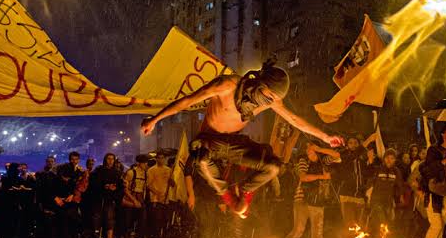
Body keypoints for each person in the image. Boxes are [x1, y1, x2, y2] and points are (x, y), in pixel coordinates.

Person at [141, 60, 343, 217]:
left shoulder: (269, 101)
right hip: (209, 142)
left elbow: (293, 119)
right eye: (269, 95)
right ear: (259, 82)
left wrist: (325, 137)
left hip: (233, 145)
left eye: (274, 99)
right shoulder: (227, 85)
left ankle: (243, 191)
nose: (269, 102)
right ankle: (227, 196)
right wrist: (156, 119)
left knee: (273, 166)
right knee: (200, 156)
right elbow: (187, 101)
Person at [282, 143, 340, 238]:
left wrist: (320, 149)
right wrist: (322, 177)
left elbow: (337, 155)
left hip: (318, 201)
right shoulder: (303, 160)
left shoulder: (323, 161)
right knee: (298, 231)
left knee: (317, 236)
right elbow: (303, 177)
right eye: (307, 147)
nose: (308, 148)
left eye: (311, 146)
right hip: (302, 199)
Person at [366, 148, 405, 238]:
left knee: (387, 223)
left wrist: (400, 197)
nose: (389, 160)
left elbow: (399, 185)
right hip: (376, 201)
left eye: (392, 158)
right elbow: (369, 177)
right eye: (387, 157)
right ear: (384, 159)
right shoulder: (378, 169)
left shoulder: (396, 171)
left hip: (388, 202)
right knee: (380, 222)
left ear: (395, 160)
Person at [90, 153, 123, 238]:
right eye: (108, 159)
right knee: (96, 220)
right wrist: (103, 186)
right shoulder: (99, 170)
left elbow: (120, 187)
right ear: (105, 159)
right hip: (99, 199)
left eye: (112, 159)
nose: (110, 161)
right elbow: (93, 183)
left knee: (109, 220)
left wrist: (114, 189)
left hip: (110, 199)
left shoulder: (116, 172)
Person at [121, 154, 148, 238]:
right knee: (127, 221)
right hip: (130, 198)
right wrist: (134, 201)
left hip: (140, 198)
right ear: (139, 163)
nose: (146, 165)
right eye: (144, 163)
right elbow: (125, 189)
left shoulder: (145, 174)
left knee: (142, 220)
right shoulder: (131, 172)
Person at [146, 152, 173, 238]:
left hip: (166, 199)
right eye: (159, 158)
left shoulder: (169, 170)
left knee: (166, 220)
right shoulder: (151, 170)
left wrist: (172, 181)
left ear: (165, 159)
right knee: (157, 220)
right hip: (156, 200)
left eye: (162, 158)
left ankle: (163, 237)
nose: (160, 160)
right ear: (156, 159)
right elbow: (149, 185)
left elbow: (172, 184)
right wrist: (158, 194)